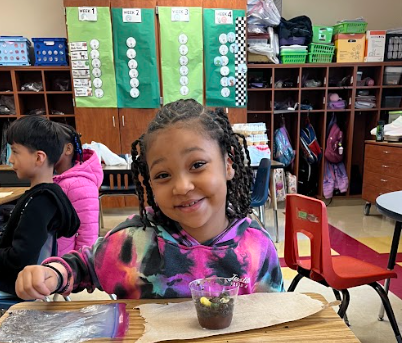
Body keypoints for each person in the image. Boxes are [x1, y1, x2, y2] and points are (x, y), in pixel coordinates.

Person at [15, 99, 283, 300]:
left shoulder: (257, 247)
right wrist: (51, 275)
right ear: (150, 182)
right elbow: (85, 264)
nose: (182, 186)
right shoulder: (132, 241)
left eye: (197, 164)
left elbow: (277, 320)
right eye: (163, 174)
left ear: (227, 165)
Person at [0, 116, 79, 295]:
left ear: (38, 158)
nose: (10, 159)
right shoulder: (49, 195)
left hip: (17, 287)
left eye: (15, 152)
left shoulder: (39, 203)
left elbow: (19, 260)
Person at [53, 124, 103, 256]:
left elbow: (87, 235)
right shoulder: (62, 180)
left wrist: (78, 269)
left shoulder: (80, 185)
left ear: (68, 149)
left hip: (68, 265)